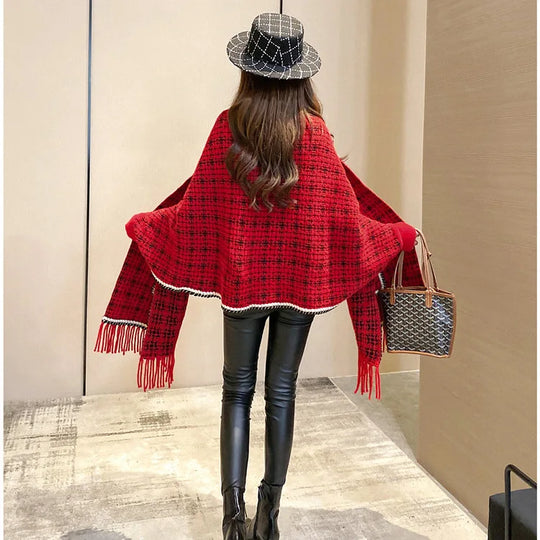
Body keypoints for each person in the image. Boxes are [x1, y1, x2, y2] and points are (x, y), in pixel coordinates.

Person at [94, 12, 420, 540]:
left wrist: (151, 227)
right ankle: (270, 513)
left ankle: (232, 517)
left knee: (237, 392)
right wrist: (393, 235)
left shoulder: (228, 128)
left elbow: (193, 211)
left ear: (248, 70)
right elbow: (347, 221)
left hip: (243, 289)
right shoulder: (315, 136)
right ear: (300, 75)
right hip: (300, 290)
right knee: (282, 391)